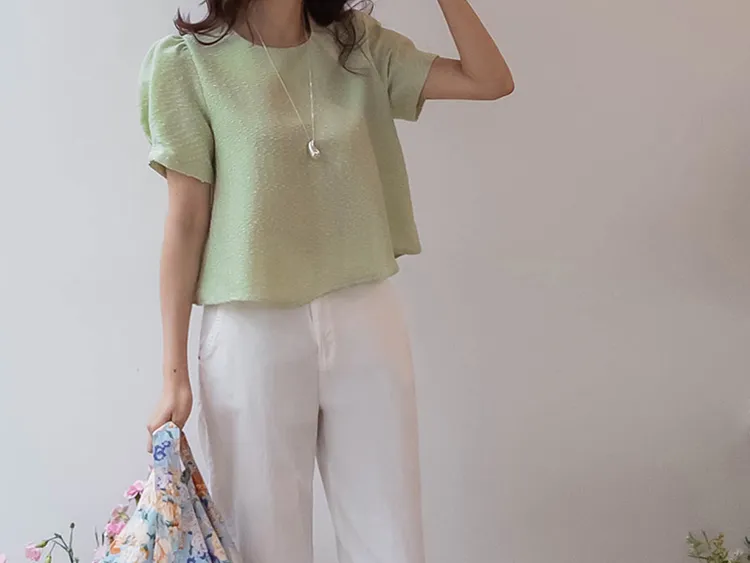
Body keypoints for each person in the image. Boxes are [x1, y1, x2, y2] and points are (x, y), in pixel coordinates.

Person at [140, 0, 513, 561]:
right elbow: (186, 221)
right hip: (252, 327)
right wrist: (174, 375)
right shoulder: (188, 63)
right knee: (264, 542)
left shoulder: (357, 44)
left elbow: (490, 79)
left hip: (365, 313)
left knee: (390, 536)